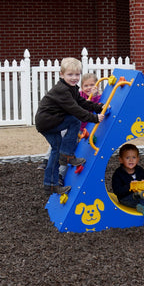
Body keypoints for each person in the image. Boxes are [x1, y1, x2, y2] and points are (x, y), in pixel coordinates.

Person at [35, 58, 105, 194]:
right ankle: (67, 155)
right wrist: (95, 118)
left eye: (77, 75)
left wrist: (97, 108)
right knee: (74, 120)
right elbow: (75, 110)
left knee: (55, 151)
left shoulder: (72, 89)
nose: (74, 78)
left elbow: (82, 102)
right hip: (48, 121)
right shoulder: (62, 90)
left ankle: (50, 184)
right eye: (70, 75)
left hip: (48, 122)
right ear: (62, 74)